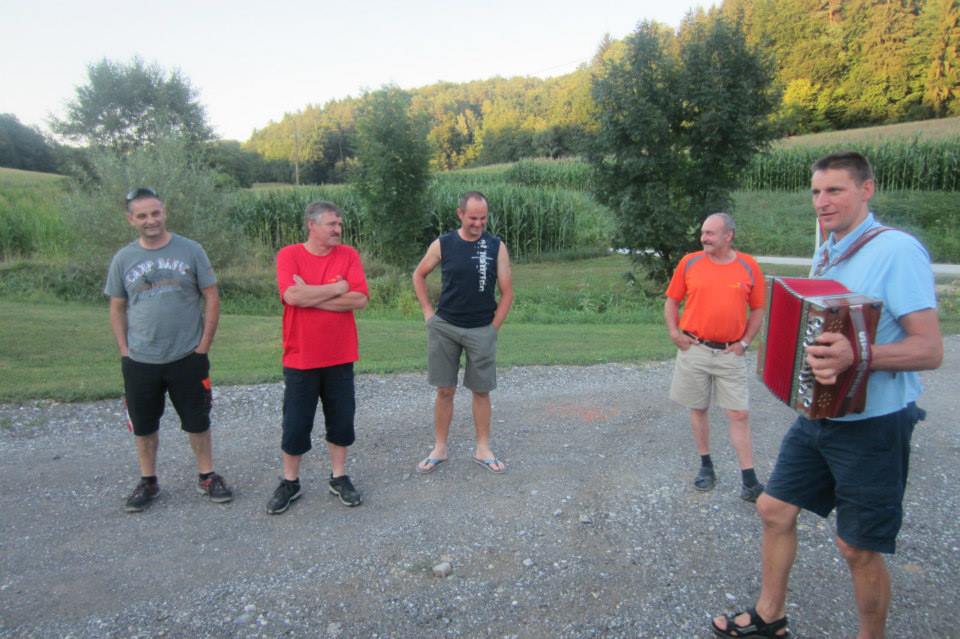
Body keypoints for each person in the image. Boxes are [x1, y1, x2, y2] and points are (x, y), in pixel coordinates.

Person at [711, 152, 943, 639]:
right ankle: (770, 617)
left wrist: (856, 356)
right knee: (773, 509)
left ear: (866, 189)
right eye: (816, 191)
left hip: (874, 424)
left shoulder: (897, 251)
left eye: (835, 190)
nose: (822, 201)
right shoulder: (829, 251)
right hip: (819, 415)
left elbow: (929, 349)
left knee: (857, 547)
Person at [105, 187, 232, 513]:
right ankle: (148, 481)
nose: (151, 220)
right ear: (131, 219)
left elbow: (211, 296)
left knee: (197, 420)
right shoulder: (123, 259)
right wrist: (124, 349)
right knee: (144, 425)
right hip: (140, 359)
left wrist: (203, 346)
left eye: (155, 213)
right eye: (142, 215)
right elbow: (117, 306)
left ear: (165, 212)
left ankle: (207, 476)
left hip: (188, 356)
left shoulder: (190, 250)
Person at [266, 201, 368, 515]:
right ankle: (290, 481)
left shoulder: (348, 255)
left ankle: (339, 477)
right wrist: (336, 288)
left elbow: (359, 299)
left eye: (339, 224)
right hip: (301, 357)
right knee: (296, 423)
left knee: (341, 420)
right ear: (312, 225)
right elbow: (291, 295)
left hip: (340, 355)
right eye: (331, 224)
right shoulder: (290, 255)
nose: (338, 229)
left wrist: (310, 295)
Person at [664, 212, 767, 502]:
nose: (703, 238)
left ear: (728, 236)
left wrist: (745, 342)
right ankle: (706, 465)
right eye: (703, 233)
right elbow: (672, 301)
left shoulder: (748, 266)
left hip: (730, 353)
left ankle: (749, 480)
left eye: (710, 233)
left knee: (739, 413)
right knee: (698, 408)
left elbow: (758, 308)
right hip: (694, 349)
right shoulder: (690, 262)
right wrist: (675, 333)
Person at [412, 191, 514, 474]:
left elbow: (507, 292)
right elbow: (418, 274)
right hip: (445, 327)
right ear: (460, 214)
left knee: (481, 391)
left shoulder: (496, 246)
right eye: (473, 218)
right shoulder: (443, 244)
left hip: (481, 328)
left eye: (483, 218)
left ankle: (483, 448)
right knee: (445, 390)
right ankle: (440, 448)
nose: (478, 224)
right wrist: (428, 312)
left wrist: (493, 328)